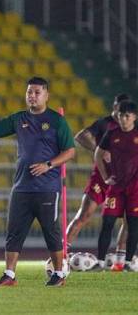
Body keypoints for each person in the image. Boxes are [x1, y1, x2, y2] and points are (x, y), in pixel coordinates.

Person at [0, 76, 75, 286]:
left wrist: (49, 164)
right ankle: (9, 274)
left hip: (47, 188)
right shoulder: (19, 119)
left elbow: (70, 151)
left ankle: (59, 274)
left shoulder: (57, 120)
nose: (32, 96)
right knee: (14, 232)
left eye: (37, 92)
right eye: (29, 92)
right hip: (21, 187)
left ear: (46, 95)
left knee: (51, 232)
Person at [67, 93, 130, 269]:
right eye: (118, 108)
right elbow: (81, 136)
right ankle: (62, 254)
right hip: (102, 178)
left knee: (128, 220)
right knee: (85, 214)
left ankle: (120, 260)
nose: (121, 113)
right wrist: (99, 150)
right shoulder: (104, 124)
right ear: (114, 107)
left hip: (125, 181)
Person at [94, 100, 138, 272]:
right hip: (116, 186)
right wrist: (105, 177)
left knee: (134, 224)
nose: (124, 119)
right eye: (120, 115)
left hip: (135, 188)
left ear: (134, 117)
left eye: (127, 116)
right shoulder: (111, 134)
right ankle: (100, 262)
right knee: (107, 222)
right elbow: (98, 155)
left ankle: (127, 263)